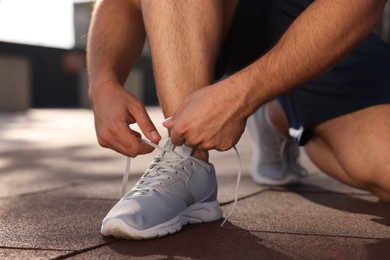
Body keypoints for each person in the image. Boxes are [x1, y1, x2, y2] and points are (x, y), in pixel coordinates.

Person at [87, 0, 390, 239]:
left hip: (323, 18)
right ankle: (188, 160)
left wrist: (241, 96)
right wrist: (102, 84)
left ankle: (277, 114)